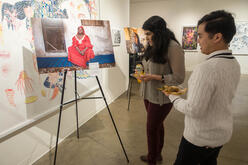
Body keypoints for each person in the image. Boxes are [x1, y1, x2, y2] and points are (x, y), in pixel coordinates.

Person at [163, 10, 241, 165]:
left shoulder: (206, 68)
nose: (197, 40)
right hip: (221, 135)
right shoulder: (234, 63)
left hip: (199, 138)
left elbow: (194, 110)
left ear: (217, 37)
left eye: (200, 35)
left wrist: (172, 96)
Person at [138, 16, 185, 165]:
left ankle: (152, 159)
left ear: (159, 32)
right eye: (145, 34)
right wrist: (142, 72)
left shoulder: (173, 47)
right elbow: (149, 65)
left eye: (148, 34)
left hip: (162, 96)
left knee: (151, 128)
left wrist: (155, 77)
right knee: (157, 126)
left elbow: (179, 77)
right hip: (148, 93)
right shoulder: (153, 45)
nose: (146, 37)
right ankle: (157, 154)